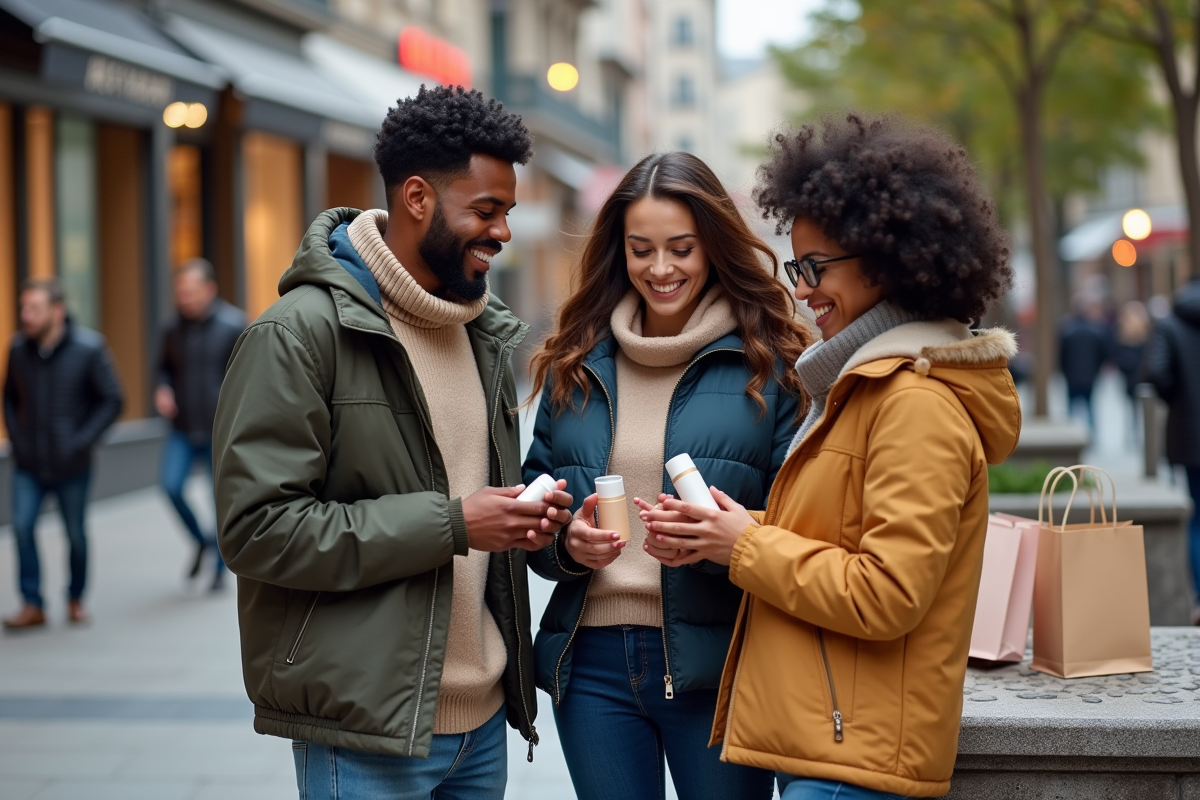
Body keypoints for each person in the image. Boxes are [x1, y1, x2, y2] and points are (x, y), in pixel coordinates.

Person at [642, 113, 1020, 799]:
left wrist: (746, 547)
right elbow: (841, 537)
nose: (803, 287)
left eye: (815, 267)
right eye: (796, 267)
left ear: (885, 261)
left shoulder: (914, 402)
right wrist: (725, 532)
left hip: (858, 763)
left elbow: (888, 594)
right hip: (837, 747)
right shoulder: (864, 386)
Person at [212, 85, 573, 800]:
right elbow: (256, 530)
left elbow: (476, 509)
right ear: (416, 198)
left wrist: (532, 524)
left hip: (482, 723)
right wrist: (454, 524)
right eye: (486, 210)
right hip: (369, 730)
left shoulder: (484, 332)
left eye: (507, 210)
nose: (503, 230)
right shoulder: (296, 334)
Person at [523, 151, 808, 800]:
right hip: (589, 663)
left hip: (719, 662)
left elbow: (807, 522)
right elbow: (534, 504)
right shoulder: (576, 362)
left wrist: (722, 541)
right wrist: (567, 542)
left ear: (711, 246)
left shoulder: (772, 362)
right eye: (640, 249)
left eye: (680, 248)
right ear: (617, 251)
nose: (660, 269)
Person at [3, 279, 123, 629]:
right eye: (23, 308)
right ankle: (32, 603)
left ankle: (75, 598)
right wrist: (17, 439)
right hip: (29, 462)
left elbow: (113, 400)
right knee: (23, 528)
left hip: (72, 463)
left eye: (33, 309)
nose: (25, 316)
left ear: (56, 312)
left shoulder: (89, 348)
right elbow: (9, 398)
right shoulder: (17, 350)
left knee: (74, 533)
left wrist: (81, 441)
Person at [156, 258, 245, 590]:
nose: (184, 298)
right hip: (181, 427)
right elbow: (162, 367)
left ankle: (221, 569)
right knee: (170, 487)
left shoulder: (234, 324)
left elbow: (247, 374)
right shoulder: (171, 328)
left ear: (210, 290)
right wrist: (162, 388)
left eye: (190, 292)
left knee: (219, 499)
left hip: (218, 429)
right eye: (180, 292)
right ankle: (202, 540)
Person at [1142, 278, 1200, 613]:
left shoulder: (1170, 324)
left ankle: (1199, 597)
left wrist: (1177, 399)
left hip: (1190, 434)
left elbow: (1156, 373)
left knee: (1197, 513)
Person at [1058, 297, 1110, 431]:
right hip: (1090, 377)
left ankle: (1070, 433)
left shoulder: (1067, 333)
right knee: (1091, 407)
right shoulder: (1095, 332)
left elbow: (1062, 357)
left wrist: (1065, 372)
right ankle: (1092, 435)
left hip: (1072, 378)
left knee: (1071, 409)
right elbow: (1103, 355)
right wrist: (1096, 371)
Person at [1112, 299, 1151, 442]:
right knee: (1135, 409)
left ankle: (1134, 434)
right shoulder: (1127, 336)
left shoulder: (1128, 336)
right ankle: (1134, 434)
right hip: (1135, 379)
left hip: (1135, 379)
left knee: (1134, 409)